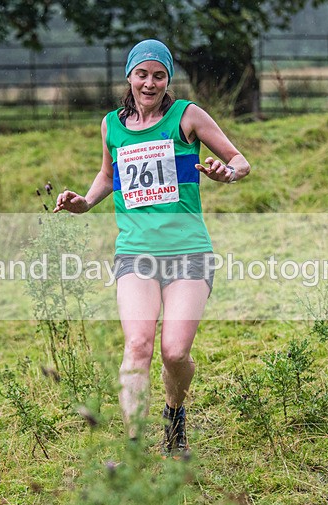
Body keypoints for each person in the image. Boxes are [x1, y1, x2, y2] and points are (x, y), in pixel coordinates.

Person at [54, 39, 250, 454]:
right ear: (129, 76)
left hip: (188, 254)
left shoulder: (186, 116)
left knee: (175, 353)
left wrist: (225, 173)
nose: (149, 82)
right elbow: (109, 176)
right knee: (139, 344)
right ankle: (132, 446)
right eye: (142, 74)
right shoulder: (112, 125)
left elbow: (239, 160)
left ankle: (175, 414)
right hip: (135, 254)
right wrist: (84, 202)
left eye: (158, 75)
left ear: (167, 79)